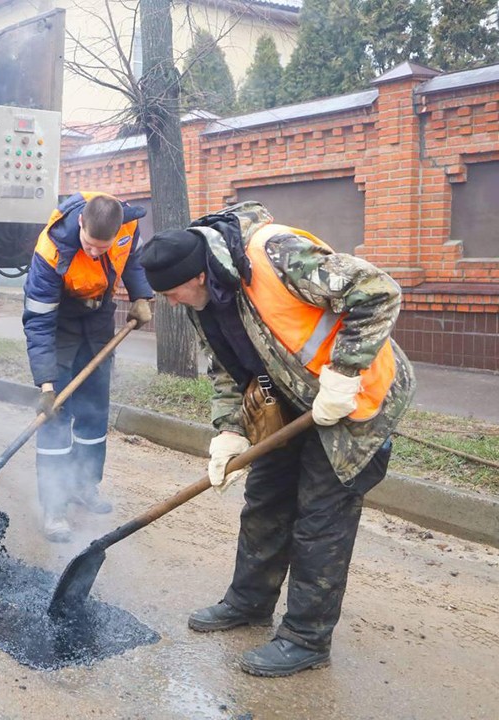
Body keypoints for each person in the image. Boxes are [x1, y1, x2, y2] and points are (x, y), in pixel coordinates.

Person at [139, 202, 415, 677]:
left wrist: (345, 374)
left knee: (318, 522)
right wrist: (228, 431)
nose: (169, 302)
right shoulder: (202, 302)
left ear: (198, 276)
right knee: (265, 501)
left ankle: (306, 639)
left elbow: (378, 291)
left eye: (171, 292)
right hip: (290, 406)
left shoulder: (276, 255)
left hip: (355, 402)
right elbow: (226, 369)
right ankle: (249, 602)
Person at [23, 192, 154, 542]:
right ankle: (54, 506)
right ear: (80, 223)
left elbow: (132, 261)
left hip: (98, 322)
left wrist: (141, 296)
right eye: (90, 244)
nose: (95, 252)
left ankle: (85, 486)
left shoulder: (126, 228)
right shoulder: (51, 251)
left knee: (94, 411)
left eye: (102, 246)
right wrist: (46, 385)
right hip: (59, 324)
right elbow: (38, 324)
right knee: (57, 416)